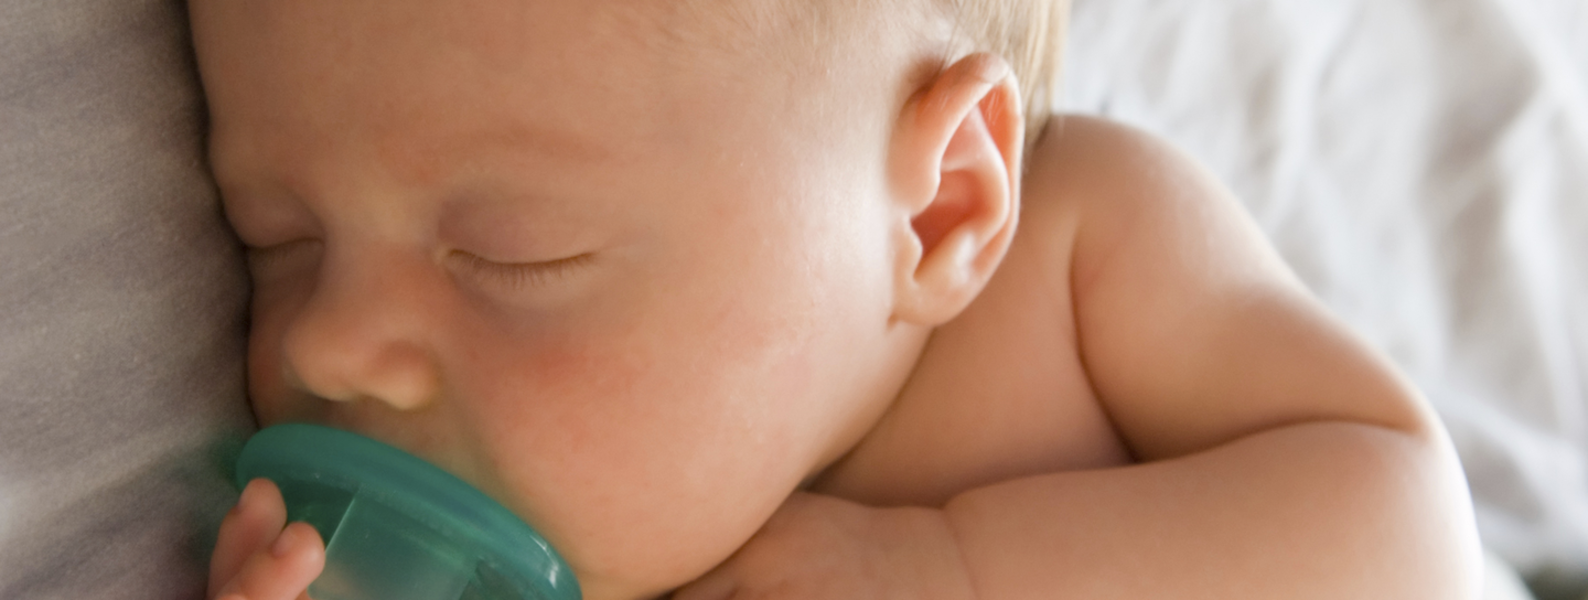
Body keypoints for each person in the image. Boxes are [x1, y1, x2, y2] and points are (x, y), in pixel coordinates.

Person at [191, 0, 1483, 598]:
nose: (327, 343)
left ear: (941, 206)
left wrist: (953, 571)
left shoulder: (1084, 245)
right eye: (278, 237)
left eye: (511, 253)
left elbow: (1402, 529)